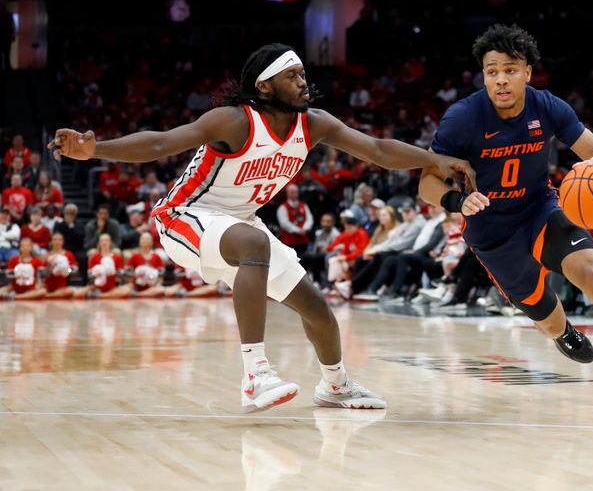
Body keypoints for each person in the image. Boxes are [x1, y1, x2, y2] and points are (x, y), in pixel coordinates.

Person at [50, 43, 474, 413]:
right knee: (255, 243)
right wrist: (95, 150)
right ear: (265, 87)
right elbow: (162, 142)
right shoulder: (233, 121)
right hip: (184, 214)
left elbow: (378, 149)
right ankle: (256, 375)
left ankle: (336, 385)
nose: (303, 81)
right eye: (292, 76)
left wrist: (431, 159)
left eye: (303, 73)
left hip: (239, 223)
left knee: (317, 309)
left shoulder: (314, 123)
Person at [418, 24, 593, 419]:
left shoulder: (547, 106)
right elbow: (427, 181)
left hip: (540, 210)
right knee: (547, 322)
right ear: (483, 74)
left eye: (510, 69)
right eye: (492, 70)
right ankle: (563, 332)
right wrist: (456, 200)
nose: (501, 78)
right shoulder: (463, 117)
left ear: (528, 72)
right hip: (492, 232)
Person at [110, 232, 165, 298]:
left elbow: (161, 275)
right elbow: (127, 273)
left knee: (161, 290)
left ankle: (138, 295)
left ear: (151, 242)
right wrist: (136, 274)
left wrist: (152, 274)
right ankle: (143, 294)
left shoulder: (156, 257)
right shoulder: (135, 256)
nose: (145, 241)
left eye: (147, 239)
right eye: (143, 239)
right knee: (124, 290)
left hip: (151, 286)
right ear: (139, 241)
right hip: (135, 285)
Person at [73, 233, 124, 299]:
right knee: (77, 294)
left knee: (125, 291)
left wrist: (112, 271)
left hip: (112, 288)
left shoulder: (117, 257)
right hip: (96, 287)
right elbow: (90, 276)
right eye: (102, 241)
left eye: (106, 240)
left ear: (110, 243)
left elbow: (120, 277)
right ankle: (105, 295)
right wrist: (97, 273)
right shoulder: (94, 257)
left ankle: (101, 296)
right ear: (99, 243)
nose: (104, 242)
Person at [276, 183, 313, 254]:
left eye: (295, 192)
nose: (294, 194)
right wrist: (298, 230)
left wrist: (305, 229)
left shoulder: (304, 206)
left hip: (303, 240)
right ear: (287, 194)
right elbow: (284, 223)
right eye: (291, 192)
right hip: (289, 241)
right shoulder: (283, 207)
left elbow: (309, 219)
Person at [42, 232, 78, 298]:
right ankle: (51, 295)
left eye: (59, 240)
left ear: (62, 241)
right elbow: (43, 274)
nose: (57, 242)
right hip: (48, 285)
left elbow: (75, 271)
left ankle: (48, 296)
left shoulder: (68, 254)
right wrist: (50, 266)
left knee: (70, 291)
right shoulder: (47, 255)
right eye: (55, 240)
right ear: (51, 241)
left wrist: (66, 269)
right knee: (40, 288)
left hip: (62, 287)